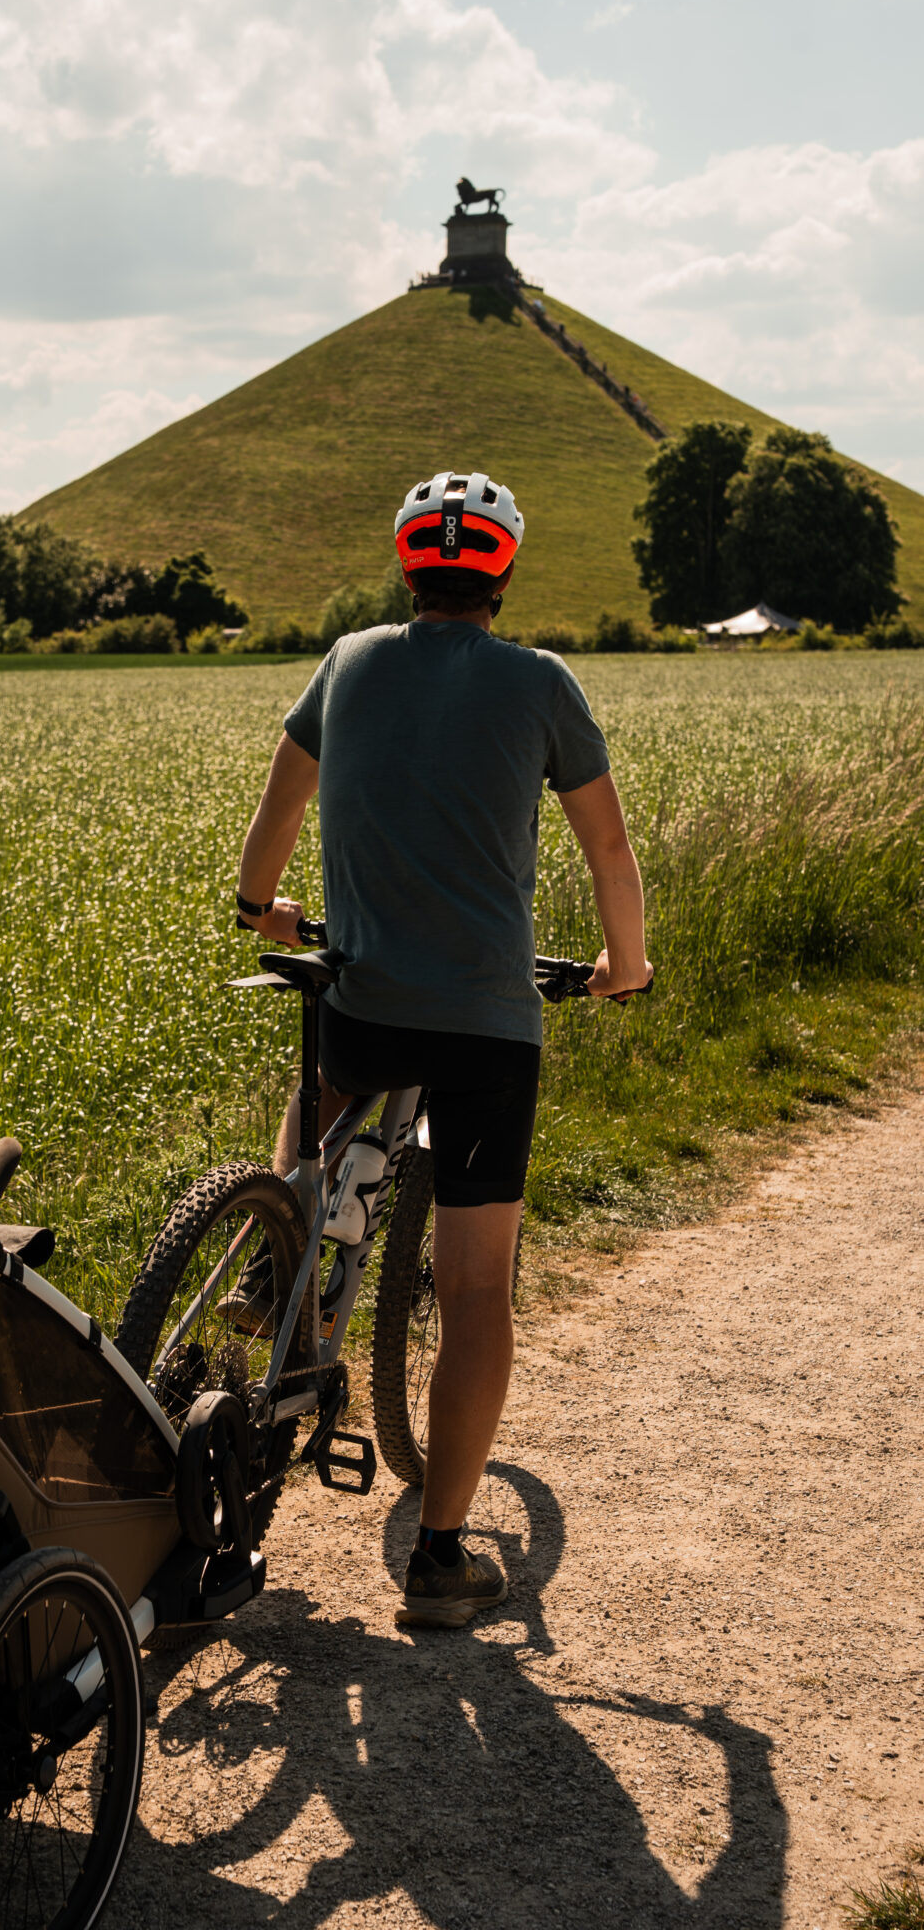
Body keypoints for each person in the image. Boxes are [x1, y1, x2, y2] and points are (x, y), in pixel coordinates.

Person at [230, 469, 652, 1628]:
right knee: (474, 1287)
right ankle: (440, 1559)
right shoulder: (541, 682)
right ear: (501, 573)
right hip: (483, 1023)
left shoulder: (351, 660)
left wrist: (258, 901)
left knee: (322, 1077)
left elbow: (280, 801)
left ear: (407, 566)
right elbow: (610, 852)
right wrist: (627, 965)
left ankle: (276, 1255)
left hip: (365, 1000)